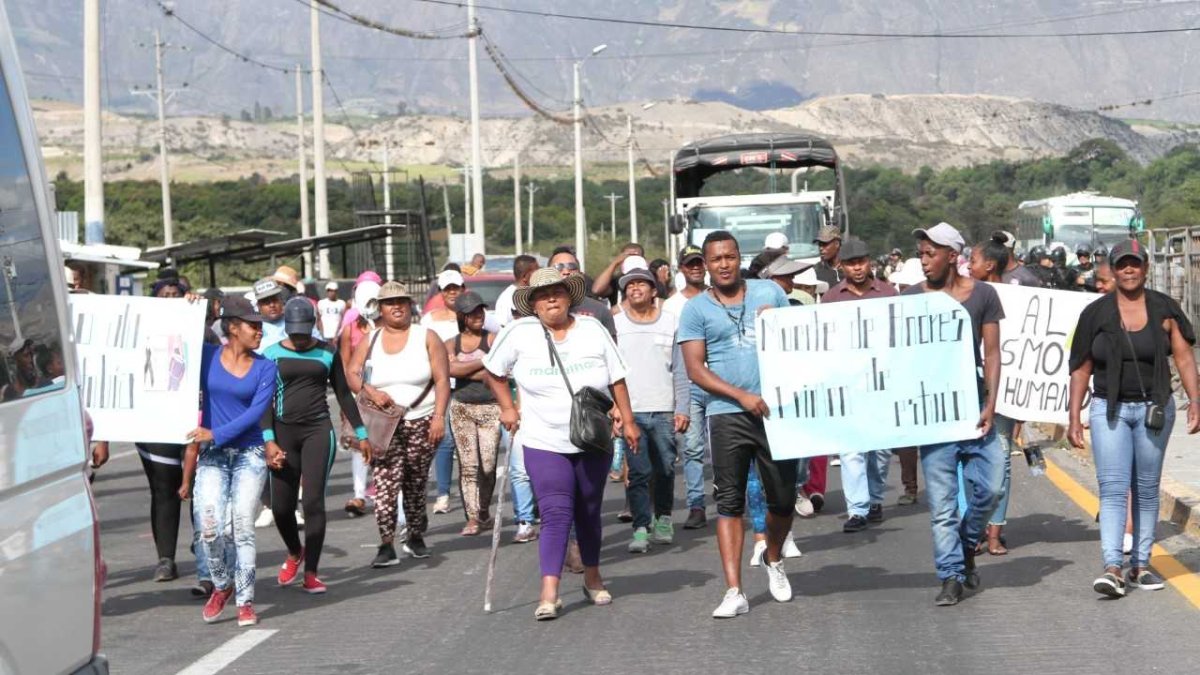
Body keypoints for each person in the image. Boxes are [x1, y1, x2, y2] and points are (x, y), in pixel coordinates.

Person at [483, 267, 638, 620]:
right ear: (533, 304)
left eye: (557, 292)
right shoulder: (518, 333)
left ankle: (593, 577)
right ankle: (549, 591)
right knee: (555, 513)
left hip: (591, 439)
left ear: (569, 296)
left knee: (587, 510)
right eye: (543, 294)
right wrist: (507, 407)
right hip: (542, 439)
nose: (551, 298)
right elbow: (493, 371)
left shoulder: (593, 329)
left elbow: (617, 377)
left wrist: (628, 419)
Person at [1068, 240, 1200, 598]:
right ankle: (1113, 566)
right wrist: (1073, 417)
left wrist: (1195, 401)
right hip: (1108, 409)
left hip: (1153, 410)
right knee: (1112, 488)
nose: (1129, 270)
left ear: (1144, 268)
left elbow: (1185, 358)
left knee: (1145, 488)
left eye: (1135, 264)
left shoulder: (1164, 308)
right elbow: (1080, 369)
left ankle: (1141, 564)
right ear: (1111, 269)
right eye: (1122, 264)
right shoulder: (1095, 313)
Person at [678, 230, 798, 618]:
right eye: (716, 260)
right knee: (729, 503)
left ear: (738, 257)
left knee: (782, 500)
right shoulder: (695, 310)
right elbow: (695, 369)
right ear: (707, 266)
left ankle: (774, 558)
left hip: (776, 411)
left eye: (730, 257)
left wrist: (778, 321)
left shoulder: (769, 292)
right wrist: (740, 395)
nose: (724, 264)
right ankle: (734, 590)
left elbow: (800, 342)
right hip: (726, 414)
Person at [902, 222, 1005, 607]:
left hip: (974, 410)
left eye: (930, 254)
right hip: (933, 415)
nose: (924, 261)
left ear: (952, 256)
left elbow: (992, 353)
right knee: (942, 506)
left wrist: (991, 403)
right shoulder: (910, 298)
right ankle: (950, 576)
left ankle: (965, 545)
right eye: (921, 254)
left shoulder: (983, 295)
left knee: (991, 488)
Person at [261, 298, 370, 594]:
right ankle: (296, 552)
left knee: (312, 502)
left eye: (303, 331)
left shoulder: (327, 352)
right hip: (283, 433)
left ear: (313, 325)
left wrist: (362, 433)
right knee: (281, 508)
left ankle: (311, 572)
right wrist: (268, 439)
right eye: (293, 332)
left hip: (318, 431)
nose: (298, 338)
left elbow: (344, 395)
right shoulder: (270, 354)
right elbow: (263, 404)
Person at [188, 296, 278, 627]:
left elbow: (256, 413)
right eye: (253, 325)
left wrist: (214, 433)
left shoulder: (266, 366)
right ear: (232, 327)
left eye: (260, 326)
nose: (259, 330)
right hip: (213, 456)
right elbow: (175, 343)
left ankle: (245, 600)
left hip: (250, 454)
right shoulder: (206, 357)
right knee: (208, 530)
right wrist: (190, 308)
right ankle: (222, 585)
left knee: (242, 525)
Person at [348, 282, 450, 566]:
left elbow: (442, 380)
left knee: (415, 481)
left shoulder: (426, 336)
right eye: (390, 302)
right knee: (385, 484)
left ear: (410, 306)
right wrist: (371, 392)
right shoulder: (371, 339)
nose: (397, 307)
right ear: (380, 308)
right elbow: (352, 373)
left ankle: (415, 535)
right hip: (383, 425)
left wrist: (439, 418)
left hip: (422, 420)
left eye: (402, 302)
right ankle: (385, 543)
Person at [822, 238, 898, 533]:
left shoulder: (888, 293)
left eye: (861, 261)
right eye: (851, 263)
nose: (857, 267)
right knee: (851, 449)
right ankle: (858, 509)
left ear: (870, 263)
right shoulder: (831, 298)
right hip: (847, 385)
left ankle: (875, 498)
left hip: (881, 383)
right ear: (842, 266)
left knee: (879, 451)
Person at [613, 265, 689, 553]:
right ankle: (641, 527)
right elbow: (609, 372)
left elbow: (681, 371)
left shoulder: (670, 322)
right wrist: (615, 409)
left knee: (666, 468)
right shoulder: (617, 325)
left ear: (654, 290)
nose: (634, 289)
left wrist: (682, 408)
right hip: (631, 412)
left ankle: (664, 518)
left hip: (664, 410)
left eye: (640, 284)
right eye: (629, 285)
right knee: (638, 472)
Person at [134, 275, 202, 583]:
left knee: (200, 489)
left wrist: (200, 311)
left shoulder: (197, 325)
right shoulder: (138, 330)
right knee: (164, 490)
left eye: (177, 294)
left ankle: (204, 548)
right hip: (154, 423)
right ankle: (166, 558)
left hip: (192, 423)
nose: (171, 299)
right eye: (165, 295)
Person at [968, 238, 1021, 554]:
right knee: (971, 463)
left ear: (989, 265)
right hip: (971, 390)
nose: (968, 266)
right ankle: (974, 529)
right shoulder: (965, 295)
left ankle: (994, 534)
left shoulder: (1019, 299)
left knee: (1001, 462)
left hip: (1007, 394)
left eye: (973, 260)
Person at [445, 291, 502, 536]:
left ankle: (484, 511)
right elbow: (449, 369)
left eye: (480, 310)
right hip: (461, 408)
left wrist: (463, 370)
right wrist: (483, 363)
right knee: (468, 467)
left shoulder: (494, 339)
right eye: (472, 312)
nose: (478, 315)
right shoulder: (451, 343)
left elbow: (498, 374)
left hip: (491, 408)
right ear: (462, 316)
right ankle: (472, 518)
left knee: (488, 466)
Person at [663, 245, 710, 529]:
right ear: (681, 268)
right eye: (689, 264)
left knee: (724, 449)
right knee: (692, 447)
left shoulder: (716, 297)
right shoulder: (671, 306)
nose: (695, 268)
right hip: (689, 385)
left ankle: (730, 497)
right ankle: (696, 504)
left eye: (699, 263)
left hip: (718, 382)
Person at [339, 276, 382, 518]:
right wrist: (347, 399)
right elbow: (344, 366)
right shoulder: (350, 329)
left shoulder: (388, 326)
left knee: (383, 441)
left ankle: (379, 486)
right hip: (358, 392)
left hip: (386, 390)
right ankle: (358, 492)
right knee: (359, 443)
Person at [424, 269, 466, 516]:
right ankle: (442, 493)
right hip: (441, 388)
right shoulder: (429, 320)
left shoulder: (476, 314)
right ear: (440, 292)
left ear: (463, 288)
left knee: (471, 443)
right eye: (447, 289)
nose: (452, 293)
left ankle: (473, 491)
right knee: (446, 440)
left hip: (473, 386)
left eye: (456, 288)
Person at [549, 246, 617, 338]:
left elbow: (611, 348)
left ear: (581, 274)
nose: (566, 271)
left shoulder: (600, 310)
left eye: (571, 266)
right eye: (558, 267)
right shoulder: (539, 309)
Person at [495, 254, 538, 327]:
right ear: (525, 276)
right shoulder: (507, 299)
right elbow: (502, 327)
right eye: (536, 272)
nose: (539, 274)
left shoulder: (535, 293)